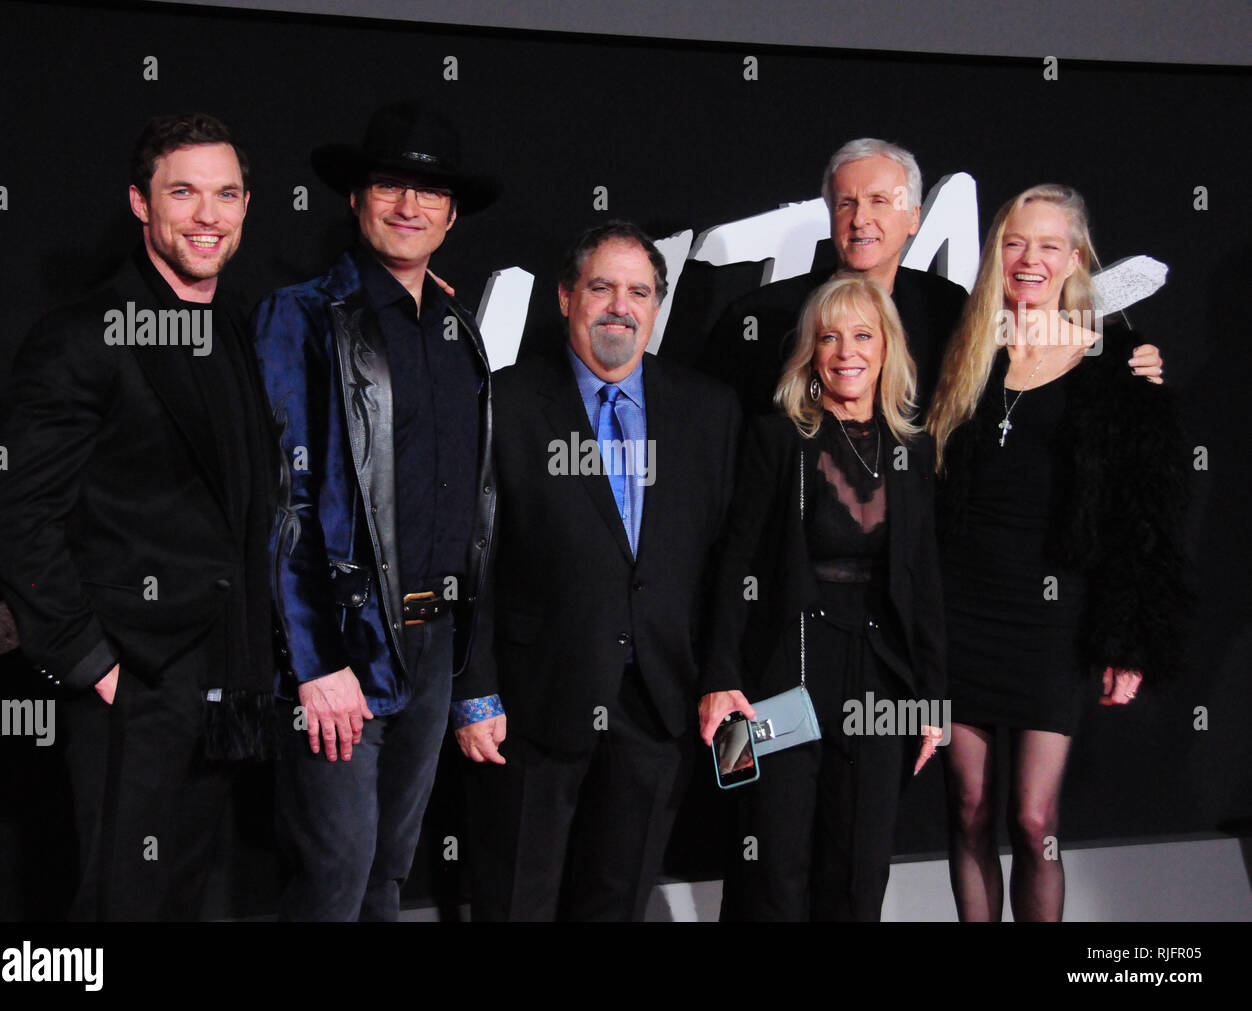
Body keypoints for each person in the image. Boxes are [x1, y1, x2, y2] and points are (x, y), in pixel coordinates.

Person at [0, 113, 277, 920]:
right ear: (142, 204)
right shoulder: (82, 335)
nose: (208, 215)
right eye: (183, 191)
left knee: (184, 896)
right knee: (119, 904)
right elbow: (17, 513)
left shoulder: (243, 332)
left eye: (225, 194)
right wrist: (93, 664)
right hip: (134, 681)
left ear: (248, 206)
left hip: (225, 674)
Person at [251, 102, 499, 921]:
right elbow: (283, 502)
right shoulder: (304, 316)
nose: (408, 205)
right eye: (389, 184)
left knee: (389, 874)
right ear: (356, 200)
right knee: (333, 877)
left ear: (452, 213)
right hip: (344, 647)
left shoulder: (461, 330)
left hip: (435, 648)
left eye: (428, 191)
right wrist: (316, 662)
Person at [454, 221, 742, 920]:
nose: (621, 305)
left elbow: (729, 565)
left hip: (657, 705)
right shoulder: (505, 401)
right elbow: (468, 556)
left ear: (657, 305)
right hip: (531, 705)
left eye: (639, 290)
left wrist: (721, 674)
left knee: (615, 905)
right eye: (602, 287)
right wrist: (476, 689)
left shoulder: (708, 411)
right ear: (565, 296)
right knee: (516, 899)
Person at [925, 184, 1188, 921]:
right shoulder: (965, 353)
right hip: (963, 608)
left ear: (1076, 258)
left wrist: (1129, 639)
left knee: (1033, 821)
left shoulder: (1118, 366)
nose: (1029, 259)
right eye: (1015, 242)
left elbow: (1146, 516)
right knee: (970, 806)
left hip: (1055, 618)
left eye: (1048, 245)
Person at [698, 275, 946, 921]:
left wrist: (932, 699)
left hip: (880, 680)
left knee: (860, 870)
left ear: (888, 346)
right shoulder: (779, 437)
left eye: (863, 335)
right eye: (829, 337)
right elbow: (736, 566)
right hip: (786, 670)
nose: (846, 351)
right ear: (810, 351)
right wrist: (721, 676)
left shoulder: (912, 452)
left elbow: (924, 585)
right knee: (772, 867)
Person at [697, 138, 1164, 415]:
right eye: (847, 203)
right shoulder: (758, 316)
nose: (861, 219)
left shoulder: (948, 309)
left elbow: (1037, 356)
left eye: (880, 202)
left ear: (914, 217)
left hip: (916, 563)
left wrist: (1125, 356)